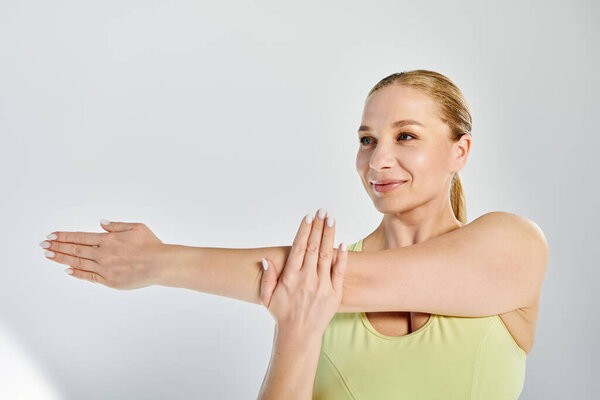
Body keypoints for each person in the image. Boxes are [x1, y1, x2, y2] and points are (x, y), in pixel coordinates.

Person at [39, 70, 548, 399]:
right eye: (367, 140)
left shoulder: (513, 244)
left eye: (406, 136)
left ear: (460, 151)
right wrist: (297, 330)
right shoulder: (307, 293)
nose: (378, 159)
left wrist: (159, 261)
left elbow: (349, 282)